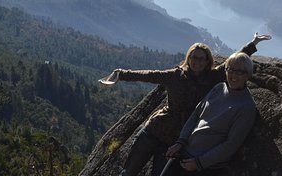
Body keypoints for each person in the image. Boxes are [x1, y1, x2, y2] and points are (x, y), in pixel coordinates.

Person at [100, 33, 270, 176]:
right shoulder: (175, 75)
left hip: (175, 141)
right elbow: (149, 75)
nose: (197, 62)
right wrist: (120, 74)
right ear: (188, 58)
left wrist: (253, 43)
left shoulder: (213, 77)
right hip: (154, 131)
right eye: (194, 58)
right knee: (128, 172)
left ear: (208, 61)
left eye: (202, 59)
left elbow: (234, 64)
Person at [164, 52, 256, 175]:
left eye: (239, 72)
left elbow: (231, 144)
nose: (233, 75)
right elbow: (196, 114)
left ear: (247, 75)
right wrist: (180, 142)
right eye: (230, 70)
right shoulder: (219, 88)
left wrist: (199, 163)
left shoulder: (246, 106)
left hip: (206, 166)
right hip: (185, 152)